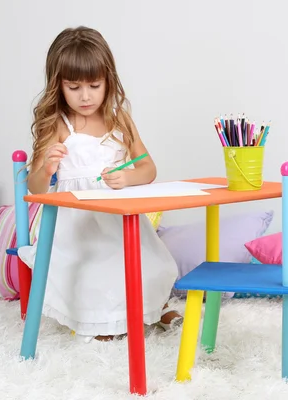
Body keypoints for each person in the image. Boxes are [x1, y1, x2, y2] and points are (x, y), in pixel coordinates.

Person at [18, 26, 182, 342]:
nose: (86, 96)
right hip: (78, 225)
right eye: (74, 87)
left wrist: (128, 177)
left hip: (118, 218)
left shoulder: (120, 118)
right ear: (58, 85)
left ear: (108, 80)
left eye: (95, 85)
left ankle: (156, 307)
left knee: (151, 262)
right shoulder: (57, 125)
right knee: (94, 272)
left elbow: (148, 168)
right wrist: (48, 165)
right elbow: (36, 188)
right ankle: (100, 322)